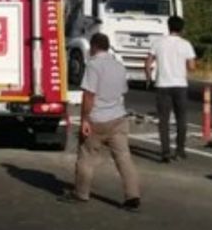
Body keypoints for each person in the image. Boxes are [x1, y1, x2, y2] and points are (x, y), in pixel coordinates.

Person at [61, 33, 141, 211]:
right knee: (124, 158)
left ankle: (81, 193)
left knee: (86, 157)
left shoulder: (93, 66)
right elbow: (122, 91)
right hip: (118, 118)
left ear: (94, 46)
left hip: (97, 119)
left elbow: (89, 95)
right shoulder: (119, 66)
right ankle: (133, 196)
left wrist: (85, 119)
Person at [145, 16, 197, 163]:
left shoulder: (158, 43)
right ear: (182, 29)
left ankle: (165, 152)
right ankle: (180, 149)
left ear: (168, 27)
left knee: (164, 120)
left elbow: (148, 62)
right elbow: (192, 66)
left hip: (162, 84)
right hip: (180, 85)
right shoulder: (186, 44)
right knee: (181, 118)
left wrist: (149, 78)